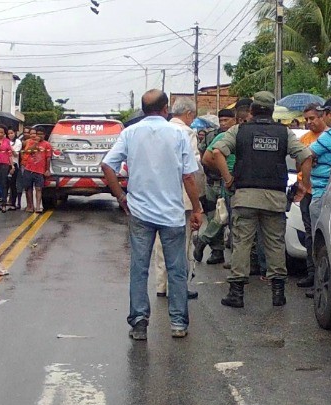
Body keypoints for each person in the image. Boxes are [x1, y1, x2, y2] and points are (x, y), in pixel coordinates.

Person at [101, 90, 202, 340]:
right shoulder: (179, 134)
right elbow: (189, 176)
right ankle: (178, 323)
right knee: (177, 269)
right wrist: (197, 209)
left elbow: (106, 165)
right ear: (166, 108)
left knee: (139, 268)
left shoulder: (130, 133)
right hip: (172, 214)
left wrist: (120, 197)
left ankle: (138, 323)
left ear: (143, 109)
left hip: (140, 212)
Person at [205, 91, 312, 308]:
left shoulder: (239, 130)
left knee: (242, 243)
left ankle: (237, 293)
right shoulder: (284, 133)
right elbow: (306, 156)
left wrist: (228, 179)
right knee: (274, 244)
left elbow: (216, 153)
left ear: (252, 111)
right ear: (272, 111)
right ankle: (278, 293)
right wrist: (304, 184)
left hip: (245, 196)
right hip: (275, 197)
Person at [152, 96, 202, 300]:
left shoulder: (159, 131)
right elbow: (192, 167)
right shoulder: (187, 133)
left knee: (160, 242)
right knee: (182, 243)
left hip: (159, 193)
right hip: (182, 194)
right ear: (189, 114)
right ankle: (178, 286)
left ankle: (161, 285)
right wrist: (198, 203)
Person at [194, 108, 238, 265]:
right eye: (221, 120)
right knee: (216, 216)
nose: (224, 123)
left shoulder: (234, 135)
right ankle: (216, 251)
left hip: (226, 182)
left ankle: (203, 240)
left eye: (227, 120)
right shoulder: (214, 135)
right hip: (213, 182)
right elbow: (205, 158)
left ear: (235, 120)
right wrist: (222, 170)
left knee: (223, 217)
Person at [294, 103, 327, 290]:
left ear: (322, 117)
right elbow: (299, 164)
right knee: (309, 234)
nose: (309, 122)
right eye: (306, 119)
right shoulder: (305, 139)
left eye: (312, 118)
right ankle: (311, 273)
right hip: (306, 192)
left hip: (322, 193)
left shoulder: (328, 138)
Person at [304, 97, 331, 233]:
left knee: (319, 237)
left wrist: (306, 184)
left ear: (330, 114)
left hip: (322, 192)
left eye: (323, 114)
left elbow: (306, 154)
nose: (322, 117)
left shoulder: (329, 135)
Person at [23, 128, 51, 213]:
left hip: (40, 170)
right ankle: (31, 206)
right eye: (37, 134)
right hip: (29, 168)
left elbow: (48, 158)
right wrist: (35, 143)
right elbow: (27, 151)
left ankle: (38, 206)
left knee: (39, 188)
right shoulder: (31, 142)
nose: (39, 136)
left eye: (41, 134)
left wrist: (47, 170)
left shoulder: (47, 144)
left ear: (44, 135)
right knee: (28, 188)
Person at [7, 128, 22, 210]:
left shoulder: (18, 142)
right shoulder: (5, 141)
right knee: (5, 184)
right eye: (8, 133)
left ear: (15, 133)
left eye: (11, 133)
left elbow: (16, 154)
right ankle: (5, 202)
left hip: (14, 164)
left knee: (13, 184)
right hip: (5, 164)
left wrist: (10, 148)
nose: (10, 135)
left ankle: (13, 203)